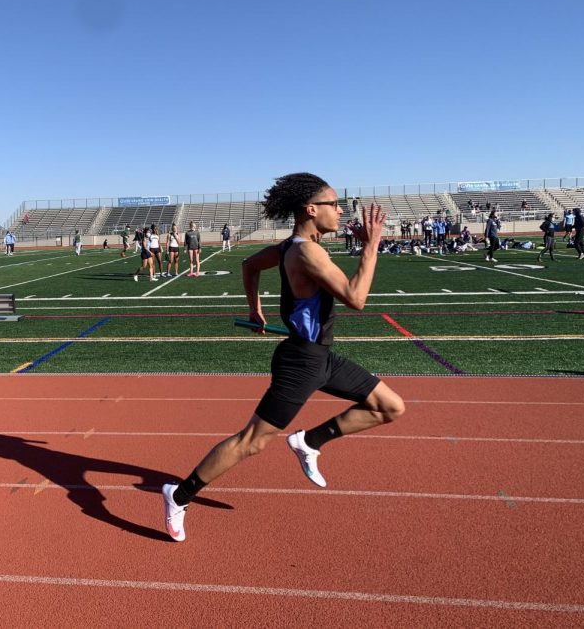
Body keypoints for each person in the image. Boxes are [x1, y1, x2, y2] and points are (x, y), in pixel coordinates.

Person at [161, 173, 405, 542]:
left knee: (389, 406)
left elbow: (249, 266)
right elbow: (356, 298)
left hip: (321, 358)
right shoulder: (307, 252)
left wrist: (255, 309)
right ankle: (178, 495)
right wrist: (371, 247)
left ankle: (309, 442)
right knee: (252, 441)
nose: (340, 212)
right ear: (311, 209)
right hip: (300, 363)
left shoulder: (290, 246)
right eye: (334, 204)